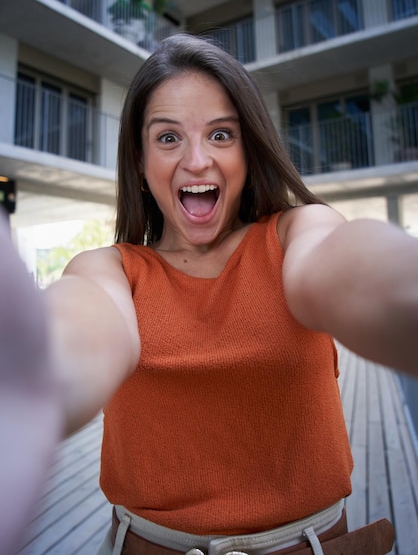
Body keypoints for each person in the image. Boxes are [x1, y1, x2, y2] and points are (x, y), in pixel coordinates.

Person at [1, 33, 417, 555]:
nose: (197, 160)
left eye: (221, 135)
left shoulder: (297, 235)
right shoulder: (109, 269)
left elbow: (349, 270)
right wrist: (29, 370)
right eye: (168, 138)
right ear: (139, 158)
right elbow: (85, 329)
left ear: (249, 147)